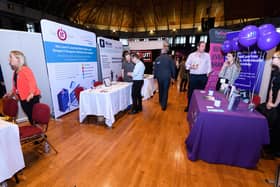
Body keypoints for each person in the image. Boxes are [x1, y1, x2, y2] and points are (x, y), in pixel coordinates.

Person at [4, 50, 41, 124]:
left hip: (31, 97)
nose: (9, 59)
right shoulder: (15, 72)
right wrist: (11, 93)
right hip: (23, 98)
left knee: (34, 116)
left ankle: (37, 130)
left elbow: (32, 82)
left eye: (11, 57)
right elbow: (16, 86)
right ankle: (34, 129)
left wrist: (31, 94)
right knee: (29, 116)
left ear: (18, 59)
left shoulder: (25, 69)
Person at [257, 50, 280, 157]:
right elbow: (272, 87)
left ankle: (274, 151)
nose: (273, 59)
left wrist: (275, 104)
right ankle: (267, 145)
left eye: (275, 57)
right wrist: (270, 100)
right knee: (260, 109)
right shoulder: (276, 72)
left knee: (277, 127)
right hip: (273, 101)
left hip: (278, 103)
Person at [185, 41, 211, 112]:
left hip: (203, 77)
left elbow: (209, 65)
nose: (204, 47)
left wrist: (208, 73)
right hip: (193, 76)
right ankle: (189, 106)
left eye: (204, 46)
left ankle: (199, 108)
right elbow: (186, 65)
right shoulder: (191, 55)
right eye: (202, 46)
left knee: (201, 93)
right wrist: (191, 66)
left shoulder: (207, 55)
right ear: (198, 47)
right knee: (191, 92)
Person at [153, 41, 176, 111]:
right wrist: (173, 77)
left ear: (161, 51)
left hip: (159, 77)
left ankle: (160, 101)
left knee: (161, 89)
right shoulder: (170, 58)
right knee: (165, 90)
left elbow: (155, 69)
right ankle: (164, 105)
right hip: (167, 77)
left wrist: (155, 77)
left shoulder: (157, 59)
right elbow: (173, 68)